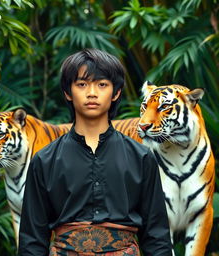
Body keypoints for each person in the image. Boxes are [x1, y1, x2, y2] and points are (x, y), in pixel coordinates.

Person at [18, 48, 172, 256]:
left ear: (116, 92)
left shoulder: (141, 157)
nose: (92, 93)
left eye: (102, 84)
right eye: (82, 84)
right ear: (67, 92)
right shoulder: (45, 160)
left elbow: (157, 238)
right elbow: (32, 242)